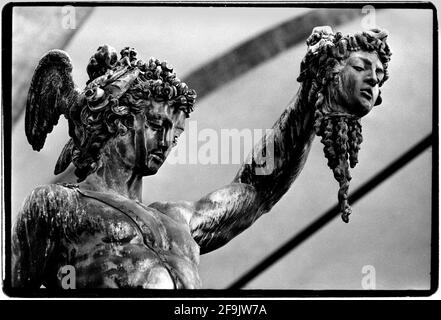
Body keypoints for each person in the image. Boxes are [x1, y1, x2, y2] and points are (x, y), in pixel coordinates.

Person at [12, 26, 391, 289]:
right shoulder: (56, 206)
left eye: (175, 131)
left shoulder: (179, 221)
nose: (168, 140)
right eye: (157, 123)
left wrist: (311, 99)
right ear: (116, 121)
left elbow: (256, 189)